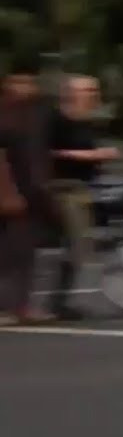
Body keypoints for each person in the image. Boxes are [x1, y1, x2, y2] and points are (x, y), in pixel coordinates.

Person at [46, 75, 119, 320]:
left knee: (76, 246)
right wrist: (88, 155)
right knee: (76, 244)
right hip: (60, 187)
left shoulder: (85, 123)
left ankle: (59, 302)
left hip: (80, 188)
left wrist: (98, 158)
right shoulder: (56, 119)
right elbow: (47, 152)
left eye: (94, 89)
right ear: (70, 93)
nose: (93, 94)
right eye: (87, 90)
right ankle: (55, 302)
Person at [0, 67, 55, 326]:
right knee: (13, 254)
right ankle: (12, 308)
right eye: (20, 81)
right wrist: (8, 194)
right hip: (11, 195)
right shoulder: (6, 117)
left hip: (30, 194)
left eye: (30, 81)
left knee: (23, 254)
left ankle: (19, 306)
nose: (27, 86)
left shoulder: (33, 116)